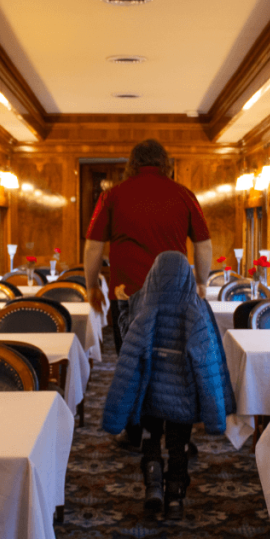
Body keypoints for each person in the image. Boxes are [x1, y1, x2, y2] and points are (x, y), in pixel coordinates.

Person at [83, 138, 214, 449]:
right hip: (175, 295)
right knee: (174, 362)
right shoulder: (184, 195)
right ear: (165, 164)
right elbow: (204, 245)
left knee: (133, 361)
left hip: (127, 293)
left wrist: (91, 286)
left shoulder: (112, 196)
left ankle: (134, 429)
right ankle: (176, 432)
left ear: (133, 164)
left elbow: (93, 246)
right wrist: (202, 283)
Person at [101, 251, 235, 519]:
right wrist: (215, 412)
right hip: (182, 397)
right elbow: (208, 359)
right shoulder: (196, 308)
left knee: (151, 438)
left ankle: (153, 488)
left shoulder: (142, 301)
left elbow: (129, 338)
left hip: (149, 393)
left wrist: (123, 307)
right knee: (178, 443)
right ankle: (175, 496)